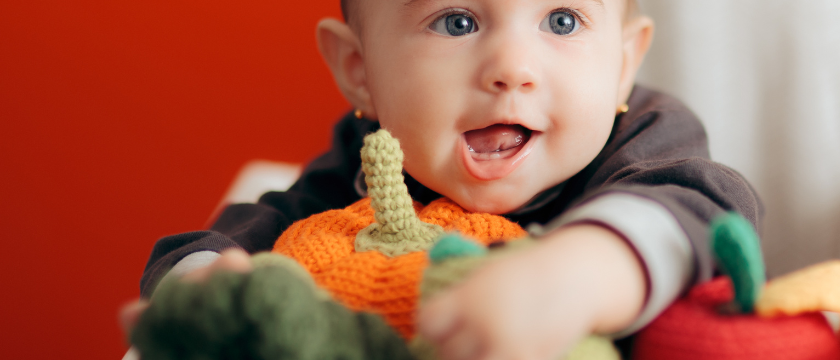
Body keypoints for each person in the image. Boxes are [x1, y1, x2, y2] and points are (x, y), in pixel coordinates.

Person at [121, 0, 763, 359]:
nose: (513, 68)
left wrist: (575, 276)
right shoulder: (371, 163)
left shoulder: (643, 139)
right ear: (359, 70)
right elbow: (239, 235)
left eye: (561, 20)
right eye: (457, 21)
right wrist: (207, 290)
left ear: (623, 63)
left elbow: (702, 209)